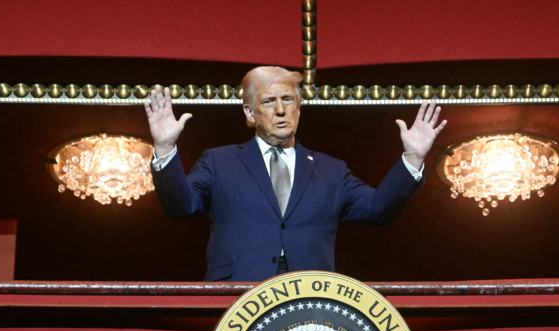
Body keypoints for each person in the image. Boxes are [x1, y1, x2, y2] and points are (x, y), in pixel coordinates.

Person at [144, 66, 446, 282]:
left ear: (299, 108)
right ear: (250, 114)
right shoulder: (219, 161)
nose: (280, 110)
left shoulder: (331, 169)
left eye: (288, 100)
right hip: (238, 296)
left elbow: (377, 208)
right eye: (268, 101)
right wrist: (165, 145)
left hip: (311, 297)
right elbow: (181, 207)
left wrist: (413, 157)